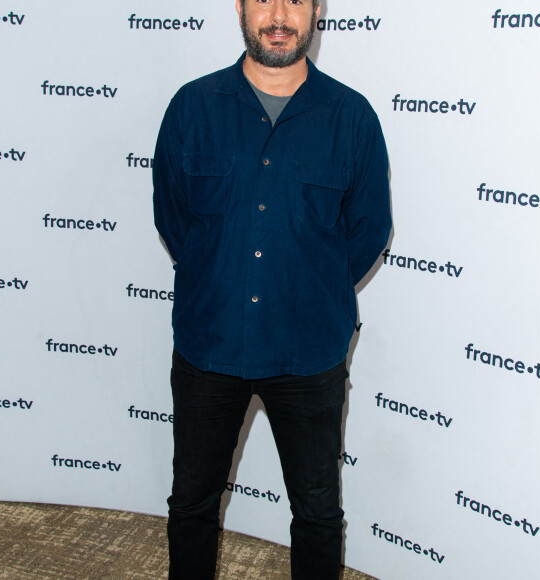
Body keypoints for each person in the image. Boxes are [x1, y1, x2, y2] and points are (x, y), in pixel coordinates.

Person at [153, 1, 391, 578]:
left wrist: (308, 287)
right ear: (240, 7)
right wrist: (223, 274)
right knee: (191, 505)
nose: (279, 14)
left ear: (316, 12)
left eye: (295, 0)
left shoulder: (351, 116)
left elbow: (368, 230)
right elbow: (173, 217)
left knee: (316, 513)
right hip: (210, 345)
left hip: (308, 354)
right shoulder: (193, 106)